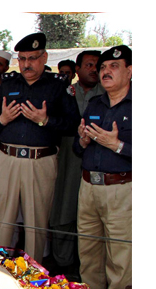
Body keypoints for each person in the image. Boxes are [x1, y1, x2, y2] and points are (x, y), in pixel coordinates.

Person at [0, 33, 80, 264]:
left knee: (36, 224)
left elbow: (72, 125)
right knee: (3, 221)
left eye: (32, 58)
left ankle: (33, 276)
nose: (26, 64)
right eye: (22, 58)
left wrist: (45, 120)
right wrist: (3, 120)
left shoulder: (57, 87)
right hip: (7, 158)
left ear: (44, 57)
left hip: (40, 162)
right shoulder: (8, 85)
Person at [73, 45, 132, 289]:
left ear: (130, 71)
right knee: (89, 254)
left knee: (120, 260)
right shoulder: (95, 104)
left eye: (114, 67)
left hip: (121, 190)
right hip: (89, 188)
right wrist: (83, 140)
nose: (105, 71)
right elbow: (77, 146)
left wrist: (117, 145)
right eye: (104, 67)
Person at [49, 51, 105, 275]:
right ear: (78, 69)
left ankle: (90, 268)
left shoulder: (108, 94)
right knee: (63, 208)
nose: (94, 69)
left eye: (97, 66)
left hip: (99, 159)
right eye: (89, 65)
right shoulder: (65, 93)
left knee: (93, 219)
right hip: (68, 157)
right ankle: (63, 262)